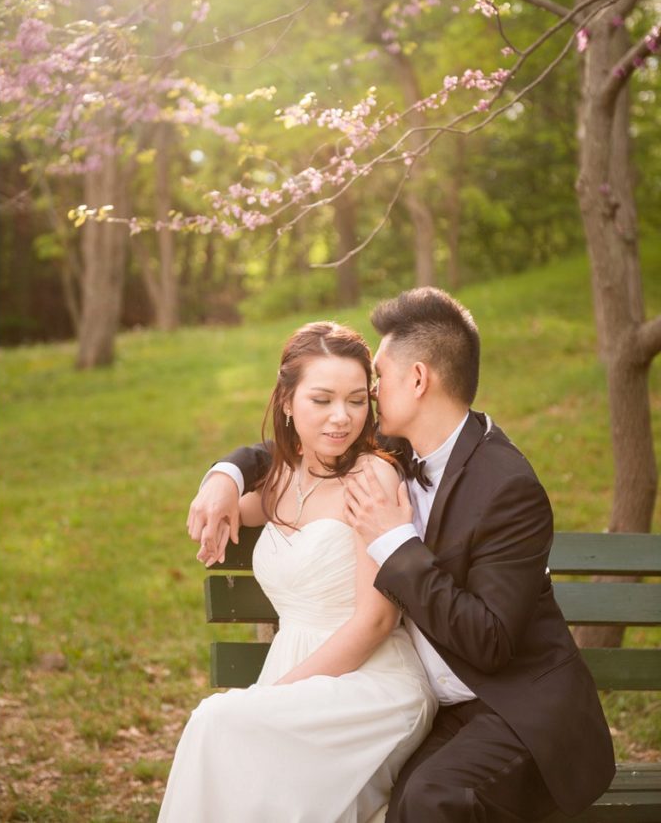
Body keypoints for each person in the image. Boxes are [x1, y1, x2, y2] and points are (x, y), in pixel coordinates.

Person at [188, 288, 615, 822]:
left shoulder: (506, 485)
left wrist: (394, 541)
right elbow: (293, 450)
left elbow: (490, 641)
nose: (363, 398)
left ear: (416, 380)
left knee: (424, 800)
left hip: (511, 706)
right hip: (429, 703)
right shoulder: (406, 446)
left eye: (375, 382)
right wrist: (225, 474)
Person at [159, 322, 436, 823]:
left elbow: (376, 623)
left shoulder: (372, 476)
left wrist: (278, 694)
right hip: (297, 672)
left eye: (356, 401)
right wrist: (221, 477)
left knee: (215, 721)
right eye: (322, 399)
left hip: (370, 682)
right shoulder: (284, 479)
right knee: (231, 747)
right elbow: (234, 507)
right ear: (287, 402)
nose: (341, 418)